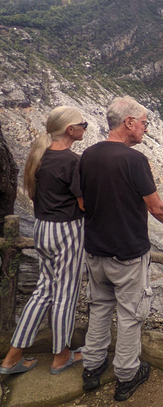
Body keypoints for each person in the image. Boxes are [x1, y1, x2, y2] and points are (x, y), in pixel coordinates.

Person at [79, 96, 163, 402]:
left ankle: (92, 367)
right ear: (128, 123)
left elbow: (82, 202)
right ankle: (127, 375)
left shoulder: (88, 155)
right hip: (127, 251)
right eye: (143, 123)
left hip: (95, 249)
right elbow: (155, 205)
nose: (145, 129)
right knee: (130, 314)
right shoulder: (134, 160)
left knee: (99, 307)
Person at [0, 107, 88, 375]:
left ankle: (12, 358)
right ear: (70, 130)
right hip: (67, 231)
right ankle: (61, 356)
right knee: (65, 294)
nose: (85, 128)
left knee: (43, 291)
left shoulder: (39, 157)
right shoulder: (72, 161)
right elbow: (83, 203)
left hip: (42, 228)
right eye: (82, 124)